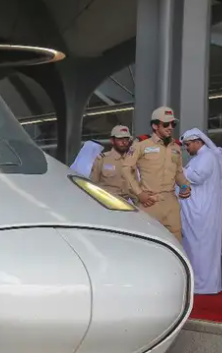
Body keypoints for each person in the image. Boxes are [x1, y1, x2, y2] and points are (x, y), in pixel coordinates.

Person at [121, 106, 191, 242]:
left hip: (171, 204)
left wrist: (185, 187)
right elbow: (126, 169)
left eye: (173, 124)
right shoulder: (141, 144)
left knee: (175, 243)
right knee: (148, 243)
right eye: (166, 124)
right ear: (155, 126)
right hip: (150, 202)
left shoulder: (175, 147)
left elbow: (178, 172)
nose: (170, 127)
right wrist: (139, 193)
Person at [179, 128, 222, 295]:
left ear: (198, 142)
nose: (187, 148)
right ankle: (199, 283)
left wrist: (178, 170)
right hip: (200, 210)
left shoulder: (207, 157)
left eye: (188, 145)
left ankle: (204, 286)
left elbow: (197, 177)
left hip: (204, 211)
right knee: (197, 248)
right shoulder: (200, 157)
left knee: (203, 249)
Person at [91, 125, 135, 202]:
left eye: (126, 139)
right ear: (112, 141)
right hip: (106, 202)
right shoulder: (102, 159)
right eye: (120, 139)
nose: (124, 142)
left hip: (126, 203)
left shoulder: (132, 159)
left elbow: (135, 186)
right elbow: (93, 184)